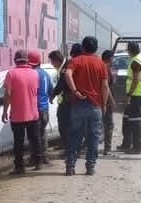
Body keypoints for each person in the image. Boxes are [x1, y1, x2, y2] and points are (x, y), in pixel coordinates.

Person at [64, 36, 110, 176]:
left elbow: (67, 73)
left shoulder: (75, 60)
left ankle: (70, 166)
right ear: (96, 48)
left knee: (74, 136)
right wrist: (104, 104)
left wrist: (75, 91)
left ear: (83, 47)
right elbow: (105, 86)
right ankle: (90, 166)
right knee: (94, 136)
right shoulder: (101, 64)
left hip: (78, 104)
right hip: (95, 105)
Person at [2, 50, 41, 175]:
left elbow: (8, 94)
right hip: (33, 114)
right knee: (35, 140)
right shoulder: (35, 74)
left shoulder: (11, 74)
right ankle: (38, 162)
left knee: (18, 142)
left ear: (15, 60)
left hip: (17, 115)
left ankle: (20, 167)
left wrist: (4, 111)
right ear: (27, 60)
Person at [116, 41, 141, 154]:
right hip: (137, 93)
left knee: (135, 121)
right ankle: (126, 143)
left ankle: (137, 148)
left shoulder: (136, 62)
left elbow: (135, 80)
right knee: (126, 118)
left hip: (137, 94)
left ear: (130, 50)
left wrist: (129, 94)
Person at [49, 44, 83, 157]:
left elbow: (61, 84)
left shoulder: (66, 68)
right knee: (72, 127)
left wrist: (52, 94)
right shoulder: (66, 66)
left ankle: (70, 151)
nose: (52, 65)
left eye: (52, 62)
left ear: (57, 60)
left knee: (64, 127)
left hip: (68, 103)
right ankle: (73, 149)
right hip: (72, 102)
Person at [29, 51, 52, 166]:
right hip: (45, 109)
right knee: (43, 134)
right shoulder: (46, 74)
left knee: (34, 136)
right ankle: (45, 157)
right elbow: (51, 91)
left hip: (35, 109)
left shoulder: (32, 74)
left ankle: (35, 159)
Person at [101, 50, 116, 155]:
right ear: (109, 58)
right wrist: (111, 101)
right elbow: (107, 87)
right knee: (109, 125)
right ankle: (107, 149)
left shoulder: (101, 67)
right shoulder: (105, 68)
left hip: (99, 100)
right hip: (105, 101)